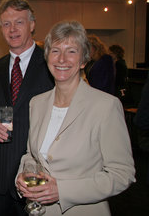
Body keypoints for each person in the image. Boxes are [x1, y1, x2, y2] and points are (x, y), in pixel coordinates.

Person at [15, 20, 135, 216]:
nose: (62, 59)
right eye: (55, 51)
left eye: (71, 51)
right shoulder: (37, 103)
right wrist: (22, 175)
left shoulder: (106, 106)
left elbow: (122, 174)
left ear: (84, 60)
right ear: (47, 57)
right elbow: (31, 155)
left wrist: (62, 191)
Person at [0, 0, 54, 216]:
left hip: (37, 176)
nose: (12, 29)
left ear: (31, 24)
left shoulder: (51, 64)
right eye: (6, 24)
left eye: (19, 22)